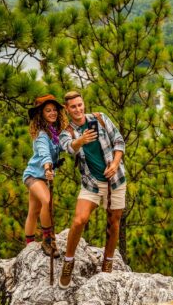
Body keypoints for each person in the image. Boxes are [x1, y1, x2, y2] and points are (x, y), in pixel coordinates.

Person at [58, 91, 126, 288]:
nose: (78, 109)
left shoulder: (100, 118)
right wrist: (82, 140)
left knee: (113, 223)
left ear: (83, 104)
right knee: (79, 220)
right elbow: (68, 147)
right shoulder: (68, 132)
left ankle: (108, 263)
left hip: (116, 180)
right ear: (67, 109)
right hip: (91, 184)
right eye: (73, 107)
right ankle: (68, 262)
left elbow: (119, 141)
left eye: (80, 105)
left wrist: (115, 162)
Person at [22, 94, 68, 258]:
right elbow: (44, 153)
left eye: (55, 110)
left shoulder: (54, 132)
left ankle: (29, 246)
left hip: (41, 176)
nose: (53, 113)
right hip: (34, 176)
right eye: (48, 110)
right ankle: (47, 240)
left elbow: (62, 146)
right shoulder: (42, 134)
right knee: (46, 202)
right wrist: (48, 167)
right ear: (41, 114)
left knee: (33, 211)